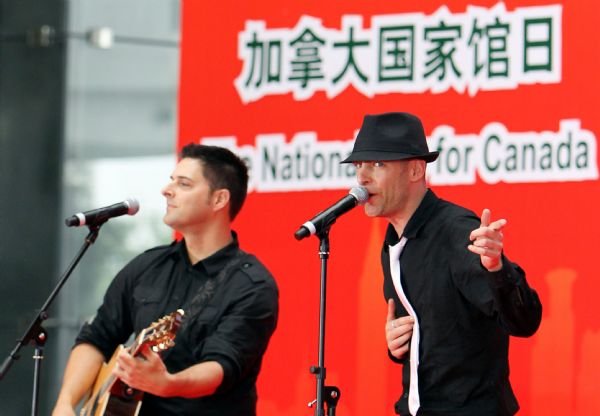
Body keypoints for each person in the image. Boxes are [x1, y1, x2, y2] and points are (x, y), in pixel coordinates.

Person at [52, 144, 279, 416]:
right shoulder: (146, 266)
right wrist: (65, 403)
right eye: (171, 180)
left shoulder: (252, 285)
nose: (166, 190)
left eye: (183, 184)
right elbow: (97, 337)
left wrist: (168, 384)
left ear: (219, 200)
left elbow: (222, 367)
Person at [342, 112, 542, 415]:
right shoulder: (394, 240)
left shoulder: (455, 231)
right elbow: (436, 331)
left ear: (415, 170)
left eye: (378, 164)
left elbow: (524, 321)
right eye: (359, 165)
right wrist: (399, 344)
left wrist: (498, 269)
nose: (362, 177)